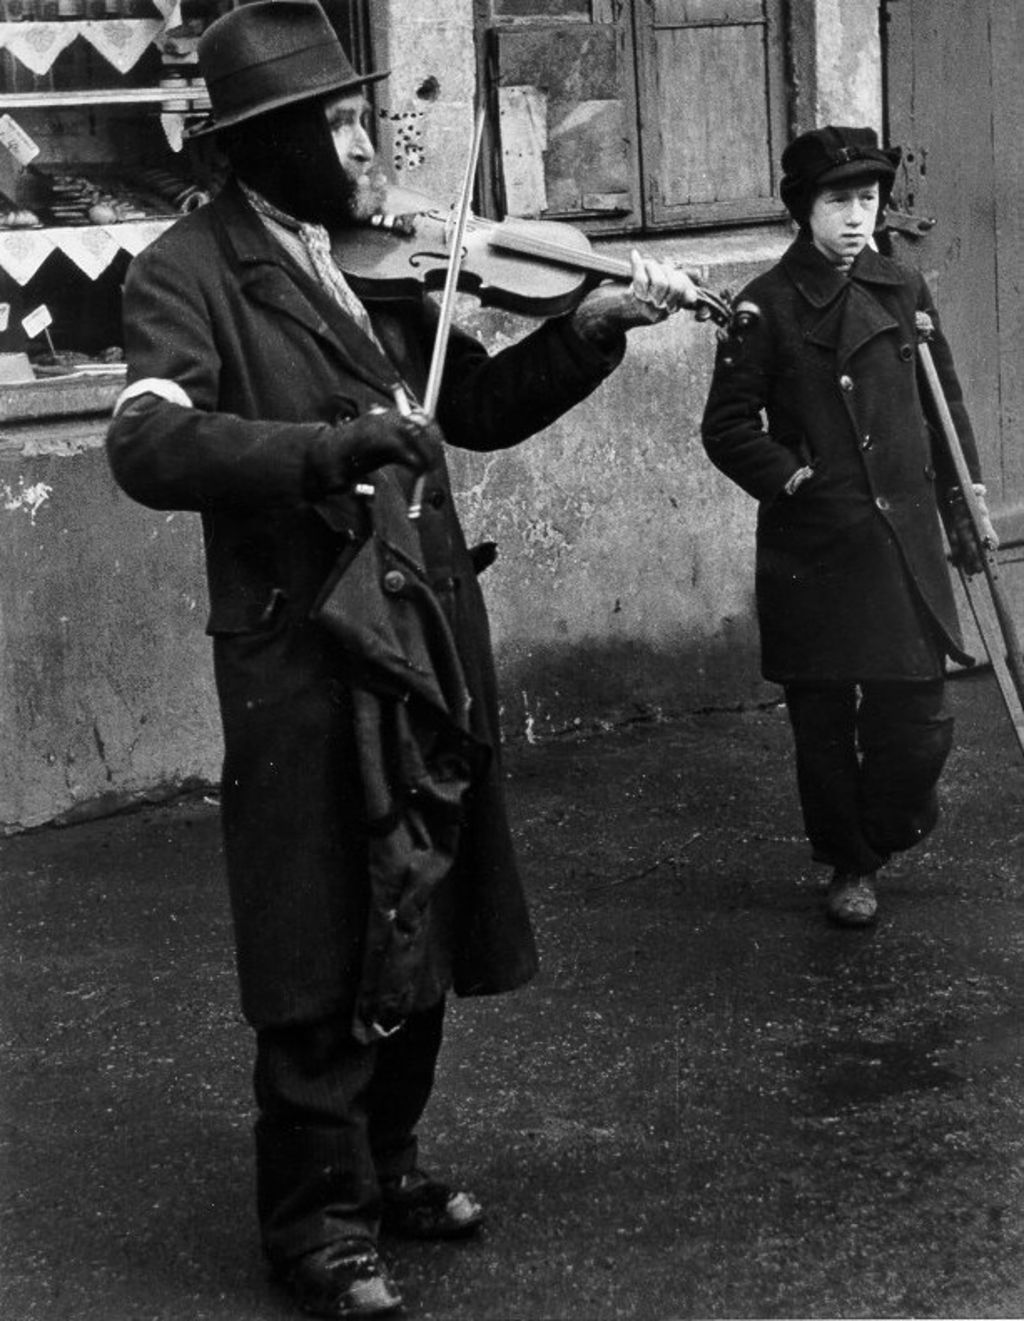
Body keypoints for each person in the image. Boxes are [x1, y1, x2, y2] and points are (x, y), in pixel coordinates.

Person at [105, 3, 700, 1316]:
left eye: (363, 118)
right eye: (341, 124)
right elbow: (151, 445)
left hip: (423, 633)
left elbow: (470, 411)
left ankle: (388, 1162)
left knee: (417, 903)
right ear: (270, 145)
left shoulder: (374, 262)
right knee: (320, 935)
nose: (373, 145)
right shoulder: (187, 271)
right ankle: (315, 1226)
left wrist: (590, 328)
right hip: (307, 649)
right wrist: (323, 449)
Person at [700, 124, 999, 931]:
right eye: (839, 201)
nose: (857, 217)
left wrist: (963, 506)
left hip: (901, 538)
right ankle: (848, 864)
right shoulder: (764, 304)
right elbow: (727, 426)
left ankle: (891, 823)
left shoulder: (902, 287)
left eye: (868, 200)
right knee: (825, 725)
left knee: (921, 720)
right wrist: (793, 478)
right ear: (804, 209)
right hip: (818, 544)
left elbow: (946, 404)